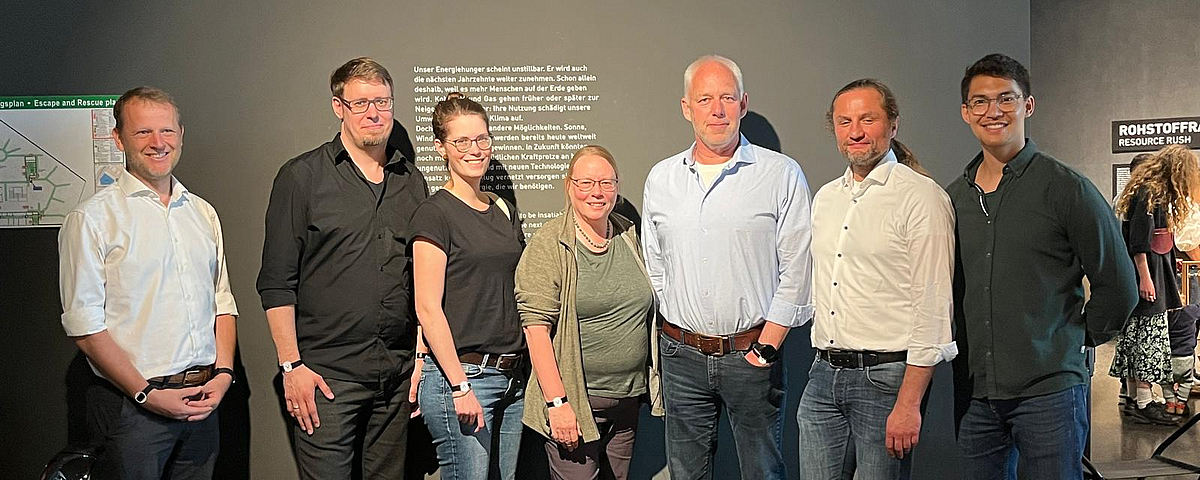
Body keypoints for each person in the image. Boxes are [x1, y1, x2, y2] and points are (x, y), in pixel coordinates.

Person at [947, 53, 1138, 479]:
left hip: (1049, 391)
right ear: (966, 112)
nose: (993, 111)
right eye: (980, 102)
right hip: (977, 394)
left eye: (1005, 99)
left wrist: (1075, 338)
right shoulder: (954, 197)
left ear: (1027, 106)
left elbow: (1119, 285)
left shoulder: (1067, 189)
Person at [642, 54, 813, 480]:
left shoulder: (780, 174)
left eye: (727, 98)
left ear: (743, 103)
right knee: (687, 474)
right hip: (681, 357)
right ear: (687, 108)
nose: (716, 110)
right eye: (704, 99)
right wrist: (676, 329)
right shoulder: (662, 179)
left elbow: (798, 267)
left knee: (762, 472)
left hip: (752, 355)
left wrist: (768, 344)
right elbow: (656, 265)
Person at [257, 57, 427, 479]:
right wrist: (292, 367)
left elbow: (421, 280)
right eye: (361, 103)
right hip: (326, 379)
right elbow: (277, 282)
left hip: (396, 375)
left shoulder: (412, 181)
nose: (374, 113)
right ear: (338, 107)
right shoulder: (302, 177)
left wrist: (420, 357)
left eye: (383, 102)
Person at [58, 86, 238, 478]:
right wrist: (146, 394)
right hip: (133, 414)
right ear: (118, 138)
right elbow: (85, 328)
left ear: (181, 135)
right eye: (143, 133)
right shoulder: (92, 220)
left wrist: (223, 374)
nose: (158, 143)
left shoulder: (203, 213)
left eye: (167, 132)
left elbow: (222, 302)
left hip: (202, 405)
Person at [799, 78, 956, 479]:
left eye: (867, 119)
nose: (855, 131)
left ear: (893, 125)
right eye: (843, 121)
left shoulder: (921, 197)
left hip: (886, 380)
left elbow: (933, 307)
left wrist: (908, 403)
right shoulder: (826, 198)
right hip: (822, 376)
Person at [516, 145, 662, 480]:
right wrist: (557, 404)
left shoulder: (629, 235)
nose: (597, 192)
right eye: (586, 183)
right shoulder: (550, 243)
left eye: (606, 183)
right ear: (569, 186)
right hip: (575, 407)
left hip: (627, 405)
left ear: (617, 186)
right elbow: (535, 330)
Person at [411, 92, 527, 480]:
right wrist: (460, 386)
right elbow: (427, 307)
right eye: (461, 141)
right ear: (441, 147)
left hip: (512, 377)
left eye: (482, 139)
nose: (475, 150)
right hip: (461, 378)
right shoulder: (435, 213)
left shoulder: (502, 208)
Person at [1110, 144, 1199, 424]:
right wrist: (1146, 279)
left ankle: (1141, 399)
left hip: (1154, 270)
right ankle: (1145, 403)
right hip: (1149, 272)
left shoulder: (1147, 192)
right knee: (1147, 338)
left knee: (1140, 337)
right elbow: (1139, 242)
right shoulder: (1148, 194)